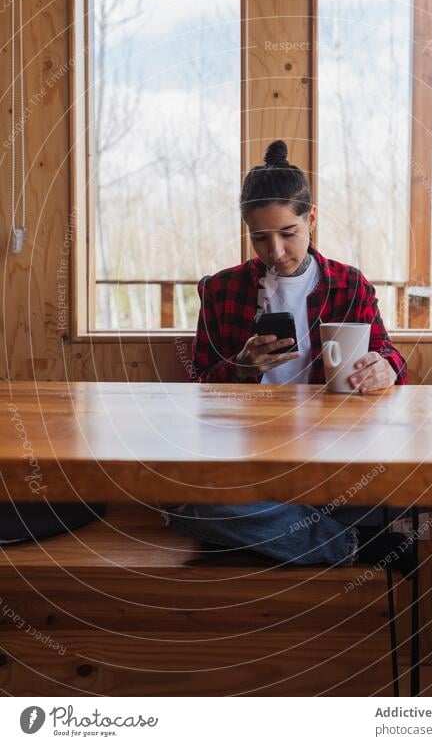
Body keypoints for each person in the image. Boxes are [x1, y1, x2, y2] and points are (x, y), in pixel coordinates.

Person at [163, 140, 411, 568]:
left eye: (287, 233)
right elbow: (199, 385)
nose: (275, 251)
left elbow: (388, 353)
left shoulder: (349, 285)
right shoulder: (221, 290)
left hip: (330, 458)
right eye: (260, 238)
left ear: (311, 219)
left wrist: (385, 368)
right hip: (248, 462)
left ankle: (275, 531)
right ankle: (350, 546)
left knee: (403, 493)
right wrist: (239, 368)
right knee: (188, 506)